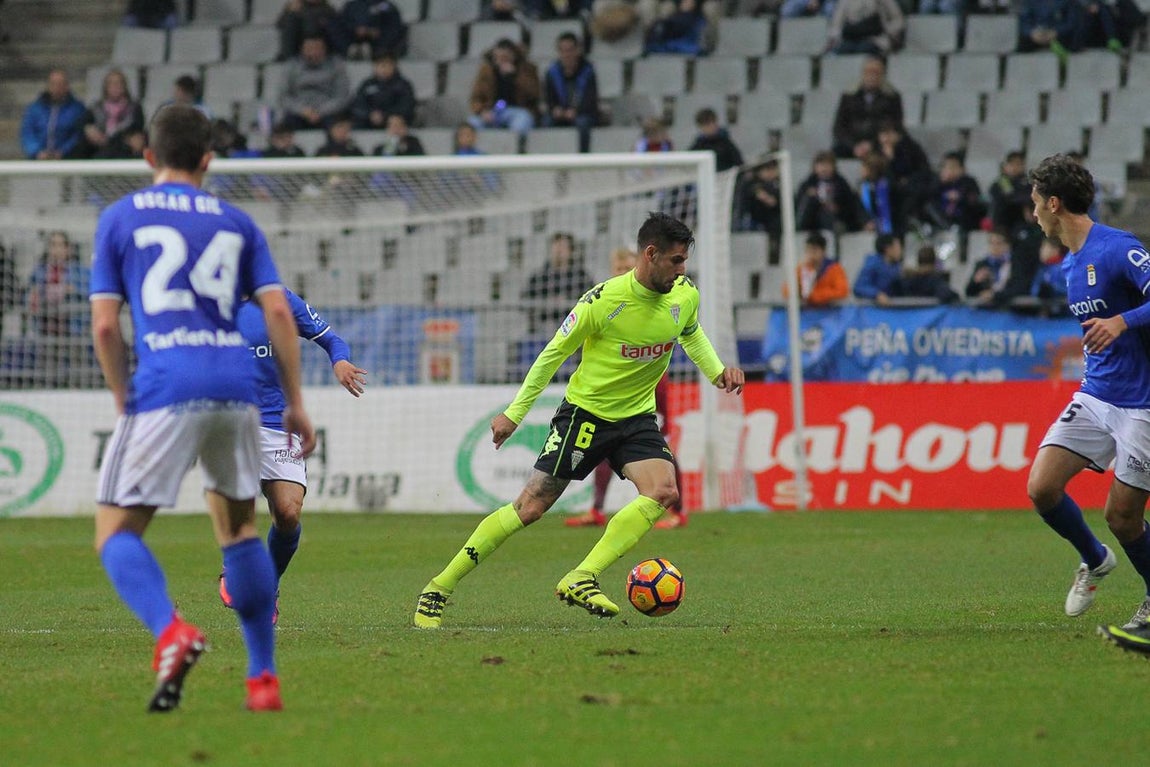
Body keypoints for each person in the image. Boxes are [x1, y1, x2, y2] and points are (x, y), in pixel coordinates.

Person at [413, 212, 745, 628]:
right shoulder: (602, 301)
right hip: (585, 417)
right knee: (530, 507)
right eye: (676, 261)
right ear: (651, 254)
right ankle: (438, 588)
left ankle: (582, 576)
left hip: (637, 418)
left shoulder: (684, 294)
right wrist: (515, 413)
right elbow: (552, 354)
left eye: (685, 262)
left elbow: (690, 331)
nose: (683, 270)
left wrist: (716, 371)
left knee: (663, 490)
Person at [89, 104, 316, 712]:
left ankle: (172, 631)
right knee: (240, 529)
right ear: (208, 161)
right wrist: (295, 402)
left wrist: (121, 399)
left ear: (147, 156)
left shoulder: (120, 216)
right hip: (237, 390)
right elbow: (277, 314)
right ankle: (262, 678)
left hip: (166, 383)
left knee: (115, 533)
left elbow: (107, 328)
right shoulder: (237, 222)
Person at [1016, 155, 1150, 654]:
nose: (1033, 215)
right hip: (1097, 395)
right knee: (1042, 487)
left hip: (1142, 404)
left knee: (1124, 517)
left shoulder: (1118, 249)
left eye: (1035, 204)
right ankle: (1095, 559)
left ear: (1054, 204)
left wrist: (1124, 321)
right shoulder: (1071, 265)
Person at [218, 289, 366, 624]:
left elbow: (331, 338)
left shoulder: (279, 299)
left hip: (277, 421)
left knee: (287, 513)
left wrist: (339, 360)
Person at [565, 248, 688, 530]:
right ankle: (596, 510)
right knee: (605, 444)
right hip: (617, 387)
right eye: (617, 266)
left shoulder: (652, 297)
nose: (621, 270)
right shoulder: (608, 299)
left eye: (626, 266)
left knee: (661, 444)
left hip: (651, 381)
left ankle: (677, 511)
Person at [26, 231, 90, 387]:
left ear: (68, 249)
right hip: (46, 329)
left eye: (60, 245)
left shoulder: (81, 272)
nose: (56, 250)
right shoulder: (39, 273)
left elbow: (92, 295)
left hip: (73, 330)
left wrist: (73, 290)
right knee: (46, 372)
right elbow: (27, 296)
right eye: (53, 245)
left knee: (76, 372)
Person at [831, 55, 904, 160]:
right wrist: (854, 145)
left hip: (878, 143)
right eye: (868, 72)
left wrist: (872, 144)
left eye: (876, 73)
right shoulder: (849, 96)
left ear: (882, 75)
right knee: (835, 152)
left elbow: (897, 127)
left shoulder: (892, 97)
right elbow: (839, 127)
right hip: (852, 144)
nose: (872, 76)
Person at [468, 38, 541, 141]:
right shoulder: (486, 71)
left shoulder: (527, 69)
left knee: (522, 121)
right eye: (498, 57)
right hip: (493, 109)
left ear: (513, 56)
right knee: (473, 123)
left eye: (505, 57)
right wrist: (482, 111)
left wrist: (515, 77)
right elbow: (476, 97)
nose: (501, 61)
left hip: (517, 110)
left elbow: (534, 94)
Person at [522, 232, 593, 334]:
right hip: (544, 325)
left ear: (571, 251)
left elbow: (591, 300)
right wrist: (547, 303)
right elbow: (526, 300)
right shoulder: (539, 276)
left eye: (563, 247)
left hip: (573, 324)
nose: (558, 251)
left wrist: (567, 301)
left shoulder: (581, 276)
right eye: (556, 246)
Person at [542, 32, 601, 154]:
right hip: (561, 113)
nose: (566, 54)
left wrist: (576, 111)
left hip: (582, 113)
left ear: (577, 51)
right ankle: (551, 156)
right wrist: (555, 109)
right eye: (562, 50)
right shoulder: (552, 72)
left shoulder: (588, 71)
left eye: (569, 50)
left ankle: (582, 157)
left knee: (583, 123)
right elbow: (549, 99)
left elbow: (591, 99)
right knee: (546, 122)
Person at [277, 35, 350, 131]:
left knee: (338, 125)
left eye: (317, 48)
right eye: (309, 48)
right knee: (285, 126)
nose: (313, 52)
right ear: (302, 49)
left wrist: (320, 111)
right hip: (299, 111)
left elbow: (342, 96)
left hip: (328, 111)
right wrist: (302, 110)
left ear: (324, 49)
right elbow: (283, 96)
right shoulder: (292, 67)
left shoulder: (336, 66)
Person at [20, 69, 87, 160]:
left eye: (61, 84)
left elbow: (78, 135)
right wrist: (37, 151)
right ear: (48, 86)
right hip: (37, 159)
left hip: (67, 159)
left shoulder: (77, 109)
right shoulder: (34, 109)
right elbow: (27, 132)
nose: (57, 88)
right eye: (53, 84)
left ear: (67, 86)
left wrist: (63, 151)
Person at [795, 150, 867, 234]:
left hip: (836, 217)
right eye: (821, 165)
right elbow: (800, 204)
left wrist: (836, 207)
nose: (824, 168)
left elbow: (850, 203)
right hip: (813, 219)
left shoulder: (841, 183)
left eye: (828, 165)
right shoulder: (808, 184)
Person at [81, 69, 146, 160]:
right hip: (99, 148)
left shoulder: (135, 108)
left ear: (124, 86)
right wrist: (89, 130)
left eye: (118, 83)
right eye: (111, 83)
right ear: (105, 87)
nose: (115, 86)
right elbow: (84, 125)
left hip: (124, 150)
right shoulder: (95, 108)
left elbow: (138, 129)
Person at [348, 51, 416, 130]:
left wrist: (385, 114)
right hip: (370, 120)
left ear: (394, 66)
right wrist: (370, 114)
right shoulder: (367, 84)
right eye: (380, 65)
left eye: (387, 65)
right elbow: (358, 104)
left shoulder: (403, 85)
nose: (383, 68)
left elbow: (406, 106)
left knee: (397, 121)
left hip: (393, 119)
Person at [926, 151, 987, 235]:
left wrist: (959, 196)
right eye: (946, 166)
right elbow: (930, 197)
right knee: (929, 205)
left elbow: (974, 199)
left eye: (953, 167)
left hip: (964, 218)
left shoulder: (968, 181)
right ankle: (946, 227)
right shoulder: (938, 183)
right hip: (945, 218)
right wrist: (940, 182)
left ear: (962, 169)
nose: (950, 170)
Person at [782, 231, 849, 307]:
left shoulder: (834, 268)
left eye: (814, 250)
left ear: (823, 251)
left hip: (828, 310)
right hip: (807, 309)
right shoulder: (802, 268)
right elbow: (786, 290)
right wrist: (799, 292)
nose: (811, 254)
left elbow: (842, 291)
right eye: (808, 250)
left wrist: (815, 295)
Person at [827, 0, 905, 56]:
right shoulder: (844, 2)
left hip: (877, 39)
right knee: (843, 50)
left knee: (864, 49)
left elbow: (899, 20)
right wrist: (839, 34)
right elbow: (836, 25)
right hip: (852, 38)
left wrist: (887, 29)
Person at [336, 0, 407, 59]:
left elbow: (393, 24)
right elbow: (343, 22)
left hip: (378, 41)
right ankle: (352, 50)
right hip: (353, 39)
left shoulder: (385, 5)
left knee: (394, 30)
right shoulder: (350, 5)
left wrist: (374, 31)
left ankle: (374, 51)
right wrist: (355, 29)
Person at [964, 227, 1012, 306]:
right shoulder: (982, 264)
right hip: (986, 309)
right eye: (991, 243)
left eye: (998, 243)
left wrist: (994, 295)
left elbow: (1015, 290)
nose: (994, 247)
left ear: (1007, 245)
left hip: (1006, 307)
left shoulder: (1013, 264)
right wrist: (976, 281)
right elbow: (968, 293)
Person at [852, 232, 903, 305]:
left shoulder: (896, 266)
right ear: (888, 249)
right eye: (898, 247)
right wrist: (877, 294)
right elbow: (859, 287)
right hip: (875, 311)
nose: (900, 251)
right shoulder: (872, 264)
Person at [688, 107, 744, 173]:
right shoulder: (698, 144)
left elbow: (739, 163)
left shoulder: (726, 142)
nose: (710, 127)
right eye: (706, 125)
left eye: (712, 123)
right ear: (701, 127)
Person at [988, 150, 1030, 233]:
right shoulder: (1000, 182)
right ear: (1005, 166)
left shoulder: (1028, 183)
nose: (1015, 167)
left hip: (1022, 224)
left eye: (1018, 164)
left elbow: (1027, 197)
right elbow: (1008, 198)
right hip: (1002, 224)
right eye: (1011, 164)